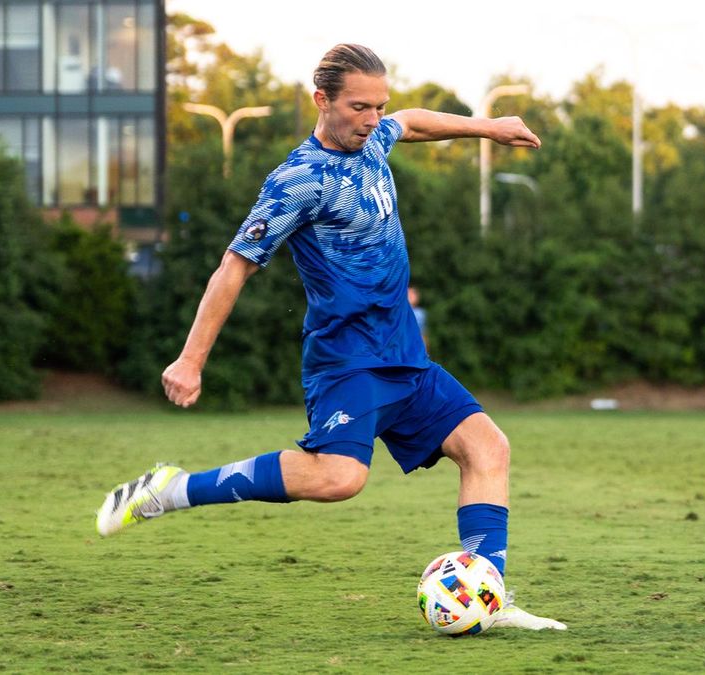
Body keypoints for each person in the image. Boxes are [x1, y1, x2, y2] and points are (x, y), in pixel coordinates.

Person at [95, 44, 564, 630]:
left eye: (378, 106)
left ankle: (489, 597)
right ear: (322, 100)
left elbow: (412, 121)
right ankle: (172, 489)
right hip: (347, 360)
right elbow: (233, 266)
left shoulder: (375, 140)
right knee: (341, 478)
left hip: (403, 355)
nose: (372, 119)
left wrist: (487, 127)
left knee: (488, 448)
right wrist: (191, 360)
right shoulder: (298, 180)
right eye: (359, 107)